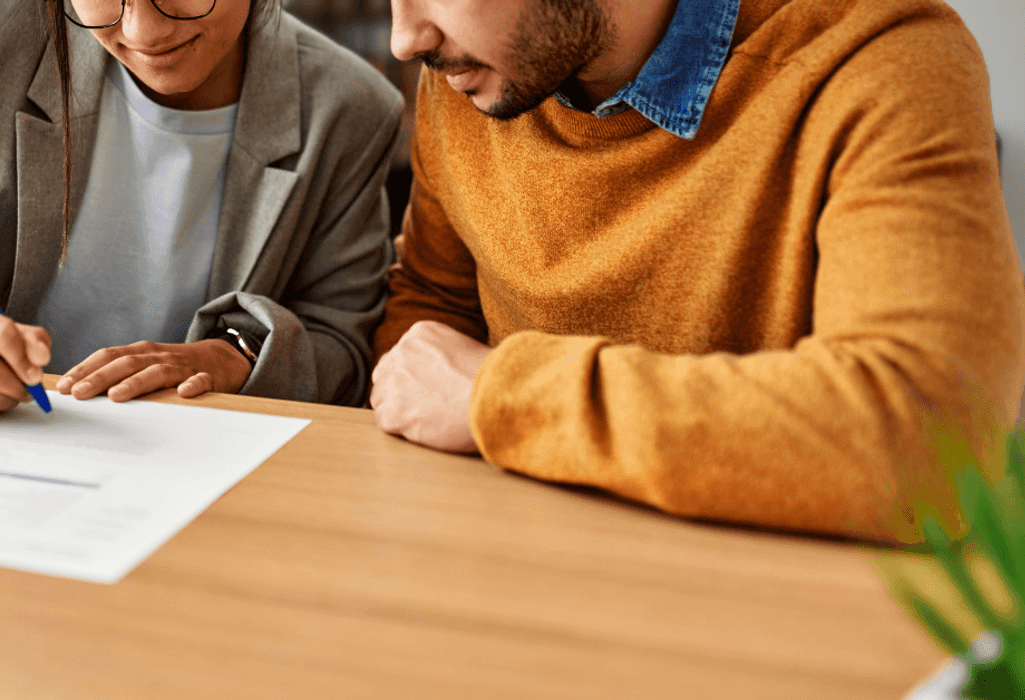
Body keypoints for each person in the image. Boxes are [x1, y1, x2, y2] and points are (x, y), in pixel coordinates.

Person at [370, 0, 1025, 541]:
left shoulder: (880, 60)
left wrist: (504, 397)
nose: (406, 38)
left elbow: (932, 441)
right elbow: (427, 326)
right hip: (525, 571)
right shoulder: (471, 76)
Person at [0, 0, 402, 418]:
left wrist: (234, 356)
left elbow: (340, 345)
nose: (143, 32)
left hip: (189, 476)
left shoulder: (348, 109)